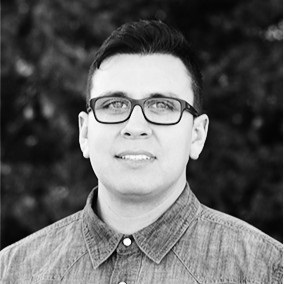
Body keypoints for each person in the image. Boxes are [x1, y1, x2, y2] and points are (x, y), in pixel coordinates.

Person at [0, 20, 282, 283]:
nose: (135, 127)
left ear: (197, 135)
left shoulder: (265, 269)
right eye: (113, 104)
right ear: (85, 132)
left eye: (162, 106)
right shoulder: (14, 271)